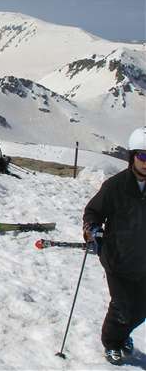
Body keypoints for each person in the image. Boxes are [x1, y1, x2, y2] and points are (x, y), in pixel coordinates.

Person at [83, 126, 146, 365]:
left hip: (143, 261)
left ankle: (123, 335)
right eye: (143, 156)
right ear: (132, 157)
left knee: (141, 309)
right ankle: (112, 343)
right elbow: (93, 211)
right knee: (121, 306)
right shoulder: (115, 186)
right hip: (117, 258)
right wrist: (91, 228)